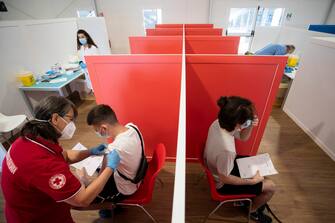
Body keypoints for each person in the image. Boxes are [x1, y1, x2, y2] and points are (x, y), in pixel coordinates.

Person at [1, 96, 121, 223]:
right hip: (37, 217)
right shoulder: (43, 164)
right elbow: (82, 200)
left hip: (35, 204)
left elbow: (66, 155)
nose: (73, 125)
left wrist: (90, 152)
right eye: (70, 119)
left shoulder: (30, 139)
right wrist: (110, 168)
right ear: (55, 118)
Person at [204, 96, 276, 223]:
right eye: (246, 121)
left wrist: (250, 126)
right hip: (223, 182)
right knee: (271, 187)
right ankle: (252, 211)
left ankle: (251, 197)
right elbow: (225, 178)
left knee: (260, 168)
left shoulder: (219, 123)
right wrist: (252, 182)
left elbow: (243, 138)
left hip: (221, 165)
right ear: (238, 124)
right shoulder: (227, 150)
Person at [86, 104, 145, 217]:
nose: (97, 133)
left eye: (96, 130)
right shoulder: (133, 127)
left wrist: (86, 180)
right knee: (98, 169)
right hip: (137, 176)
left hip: (126, 188)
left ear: (103, 128)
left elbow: (101, 179)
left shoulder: (114, 148)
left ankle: (109, 206)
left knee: (89, 195)